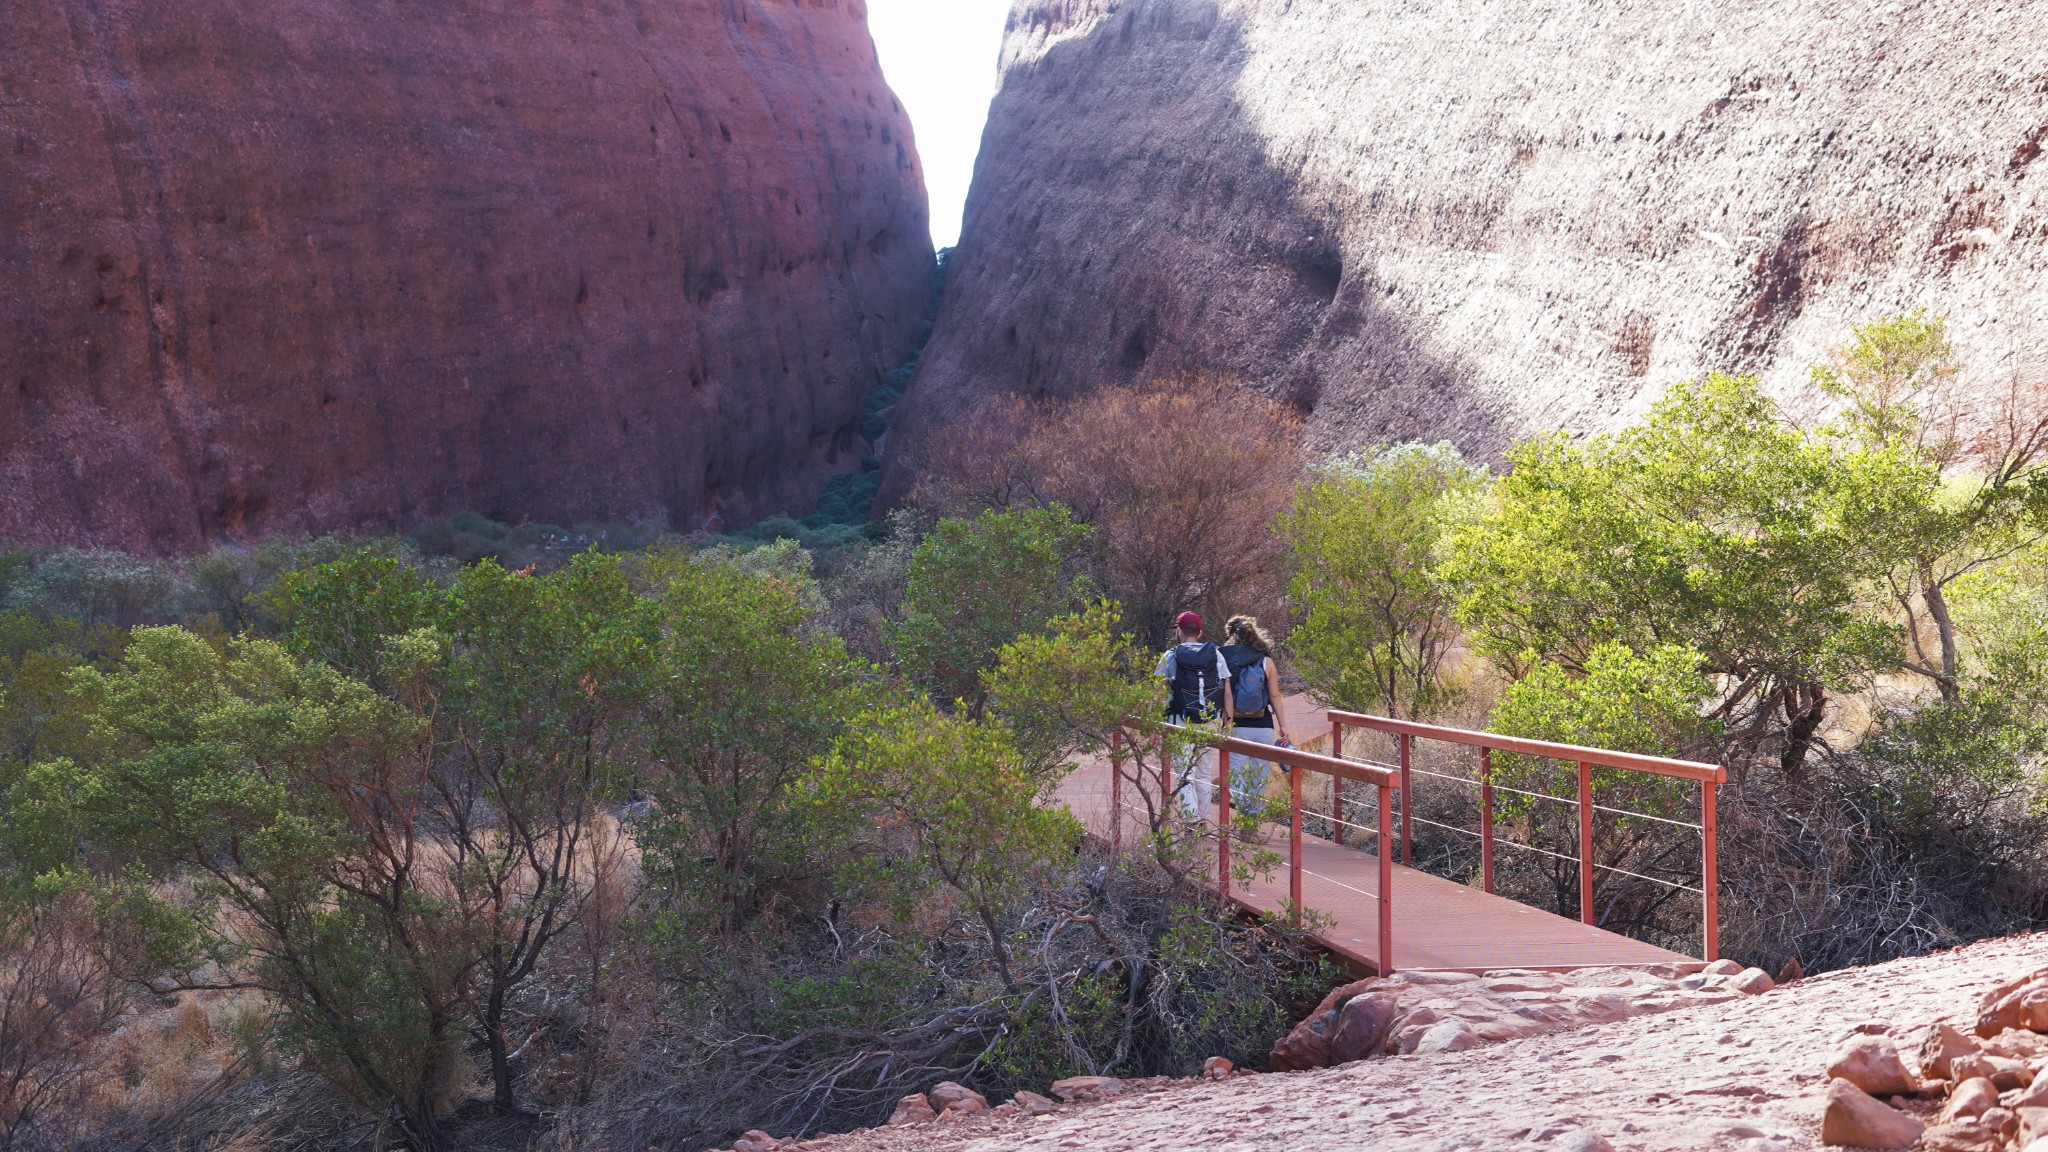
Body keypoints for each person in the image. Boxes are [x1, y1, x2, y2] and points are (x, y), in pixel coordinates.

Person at [1156, 610, 1231, 819]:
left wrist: (1155, 721)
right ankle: (1204, 819)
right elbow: (1226, 690)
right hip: (1210, 719)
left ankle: (1191, 821)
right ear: (1199, 632)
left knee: (1185, 772)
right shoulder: (1216, 654)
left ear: (1179, 631)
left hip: (1181, 719)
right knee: (1204, 771)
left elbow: (1158, 691)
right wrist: (1228, 723)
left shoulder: (1171, 655)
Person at [1220, 615, 1291, 818]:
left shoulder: (1224, 658)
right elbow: (1275, 695)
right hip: (1263, 725)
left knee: (1237, 775)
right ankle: (1254, 816)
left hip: (1237, 725)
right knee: (1259, 775)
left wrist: (1226, 724)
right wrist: (1282, 726)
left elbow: (1223, 694)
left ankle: (1243, 815)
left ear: (1231, 634)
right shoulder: (1265, 660)